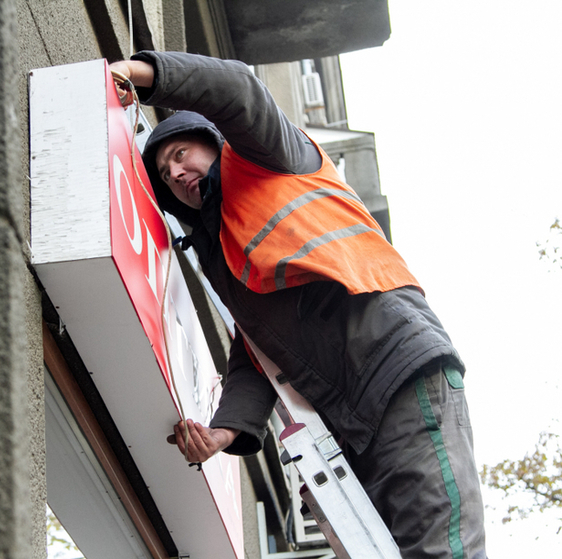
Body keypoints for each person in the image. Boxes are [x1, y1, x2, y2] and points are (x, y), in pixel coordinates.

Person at [110, 51, 486, 558]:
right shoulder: (225, 252)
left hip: (394, 372)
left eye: (180, 153)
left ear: (213, 142)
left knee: (437, 550)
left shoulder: (268, 159)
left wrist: (140, 74)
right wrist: (224, 432)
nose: (176, 173)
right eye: (165, 173)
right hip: (352, 419)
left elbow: (239, 88)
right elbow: (257, 354)